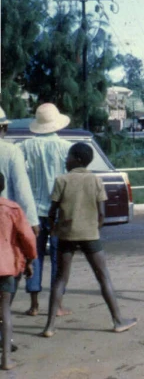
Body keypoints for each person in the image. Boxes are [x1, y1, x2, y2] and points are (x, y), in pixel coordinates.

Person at [40, 142, 137, 337]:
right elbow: (101, 213)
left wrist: (54, 227)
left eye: (68, 156)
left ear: (76, 159)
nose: (65, 160)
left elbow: (52, 211)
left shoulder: (61, 180)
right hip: (90, 235)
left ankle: (49, 327)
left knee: (60, 279)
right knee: (103, 277)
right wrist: (94, 227)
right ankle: (118, 320)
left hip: (67, 235)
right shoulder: (95, 180)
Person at [19, 103, 72, 318]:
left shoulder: (24, 147)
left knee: (34, 256)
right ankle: (57, 305)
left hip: (33, 210)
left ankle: (34, 304)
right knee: (60, 258)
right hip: (59, 209)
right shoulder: (67, 147)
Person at [0, 173, 37, 371]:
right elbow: (28, 239)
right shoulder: (12, 209)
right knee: (4, 310)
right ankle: (6, 359)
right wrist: (30, 260)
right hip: (5, 267)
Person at [0, 106, 38, 234]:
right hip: (4, 218)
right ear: (4, 128)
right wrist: (32, 221)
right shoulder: (11, 151)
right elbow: (22, 188)